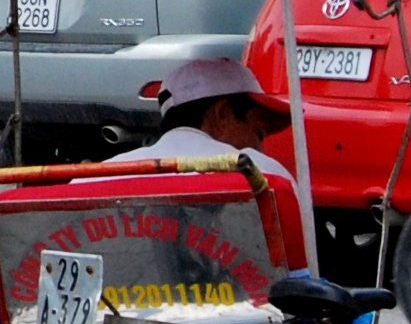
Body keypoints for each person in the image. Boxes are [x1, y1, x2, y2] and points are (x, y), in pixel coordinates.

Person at [111, 55, 311, 257]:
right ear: (222, 114)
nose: (260, 147)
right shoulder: (263, 174)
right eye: (258, 134)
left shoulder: (102, 173)